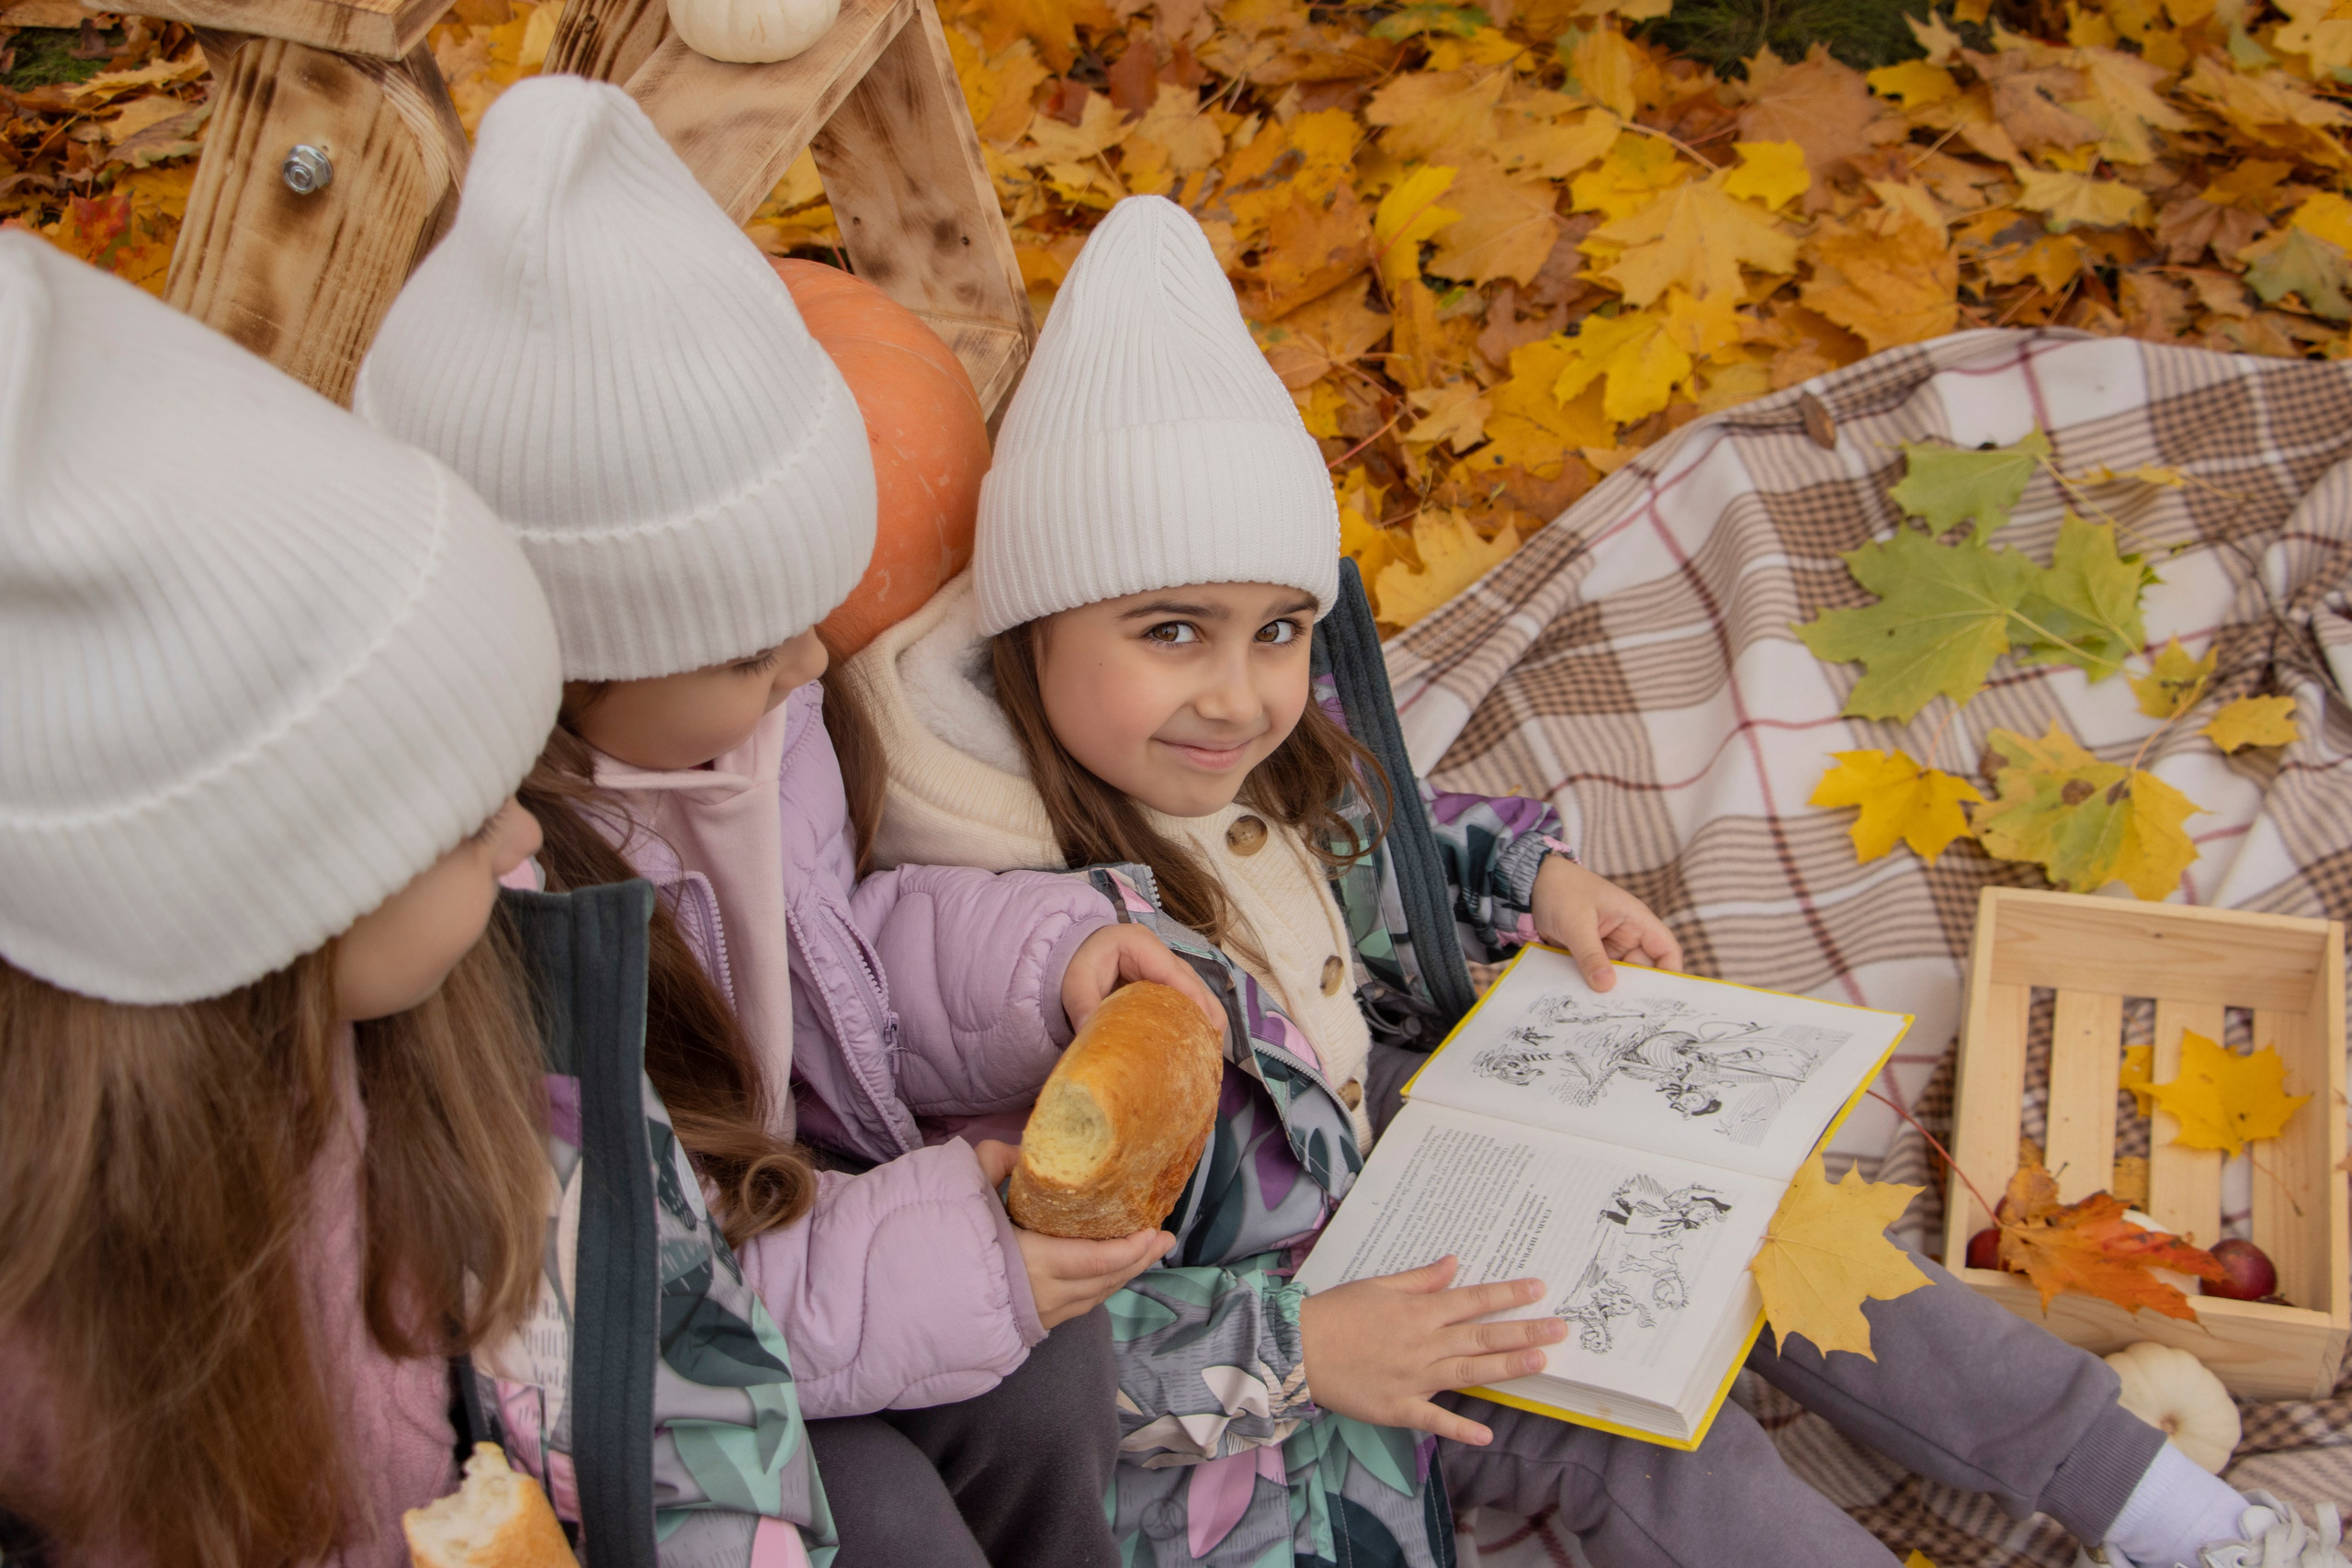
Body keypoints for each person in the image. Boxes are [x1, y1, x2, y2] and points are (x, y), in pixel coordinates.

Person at [842, 193, 2351, 1568]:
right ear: (1037, 630)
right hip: (1270, 1423)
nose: (1238, 696)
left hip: (1434, 1188)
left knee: (1770, 1228)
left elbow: (1389, 841)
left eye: (1280, 630)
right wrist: (1309, 1349)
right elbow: (1005, 1332)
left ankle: (2180, 1517)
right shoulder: (989, 953)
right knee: (1674, 1465)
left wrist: (1531, 881)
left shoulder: (1252, 770)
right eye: (1171, 632)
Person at [353, 77, 1216, 1568]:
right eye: (758, 645)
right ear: (574, 664)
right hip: (646, 1372)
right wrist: (960, 1258)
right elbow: (621, 1309)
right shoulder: (483, 917)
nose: (818, 663)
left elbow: (839, 953)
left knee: (1052, 1381)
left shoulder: (759, 729)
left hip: (801, 1234)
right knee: (881, 1521)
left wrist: (1050, 966)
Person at [0, 232, 831, 1566]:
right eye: (462, 821)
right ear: (274, 896)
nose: (520, 837)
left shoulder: (480, 1046)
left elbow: (677, 1358)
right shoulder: (56, 1331)